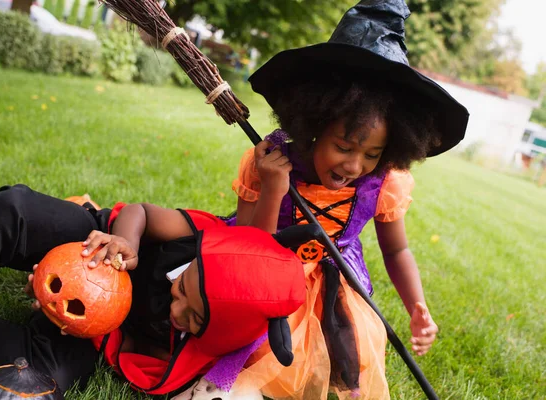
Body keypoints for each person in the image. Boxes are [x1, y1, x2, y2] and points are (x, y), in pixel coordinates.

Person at [179, 0, 469, 399]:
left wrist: (417, 305)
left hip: (337, 278)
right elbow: (246, 249)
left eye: (372, 154)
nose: (355, 165)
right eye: (344, 147)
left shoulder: (384, 182)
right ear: (313, 124)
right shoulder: (270, 161)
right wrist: (273, 188)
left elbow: (397, 249)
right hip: (263, 267)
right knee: (249, 340)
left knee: (347, 354)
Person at [0, 184, 307, 396]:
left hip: (97, 327)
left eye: (194, 318)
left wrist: (75, 311)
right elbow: (141, 212)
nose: (175, 309)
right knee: (15, 210)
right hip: (93, 241)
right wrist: (125, 240)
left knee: (51, 374)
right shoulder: (200, 237)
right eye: (180, 288)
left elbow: (131, 351)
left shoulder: (199, 354)